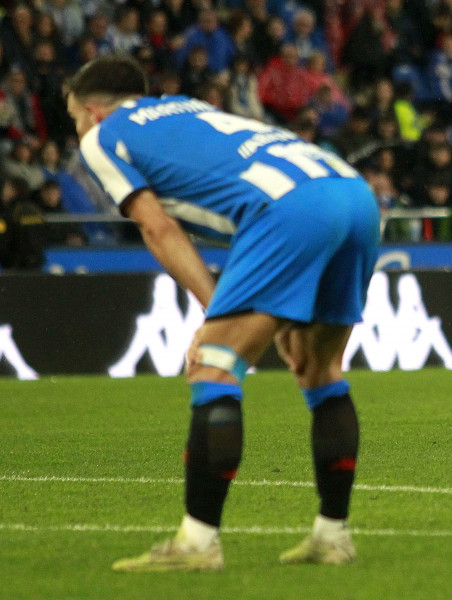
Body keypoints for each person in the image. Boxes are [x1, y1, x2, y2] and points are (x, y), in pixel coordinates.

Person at [66, 56, 379, 571]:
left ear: (95, 112)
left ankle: (197, 543)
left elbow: (159, 229)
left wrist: (217, 306)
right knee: (318, 369)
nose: (77, 128)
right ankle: (332, 536)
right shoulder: (183, 107)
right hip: (352, 192)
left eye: (76, 116)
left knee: (213, 363)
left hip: (292, 208)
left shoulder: (103, 138)